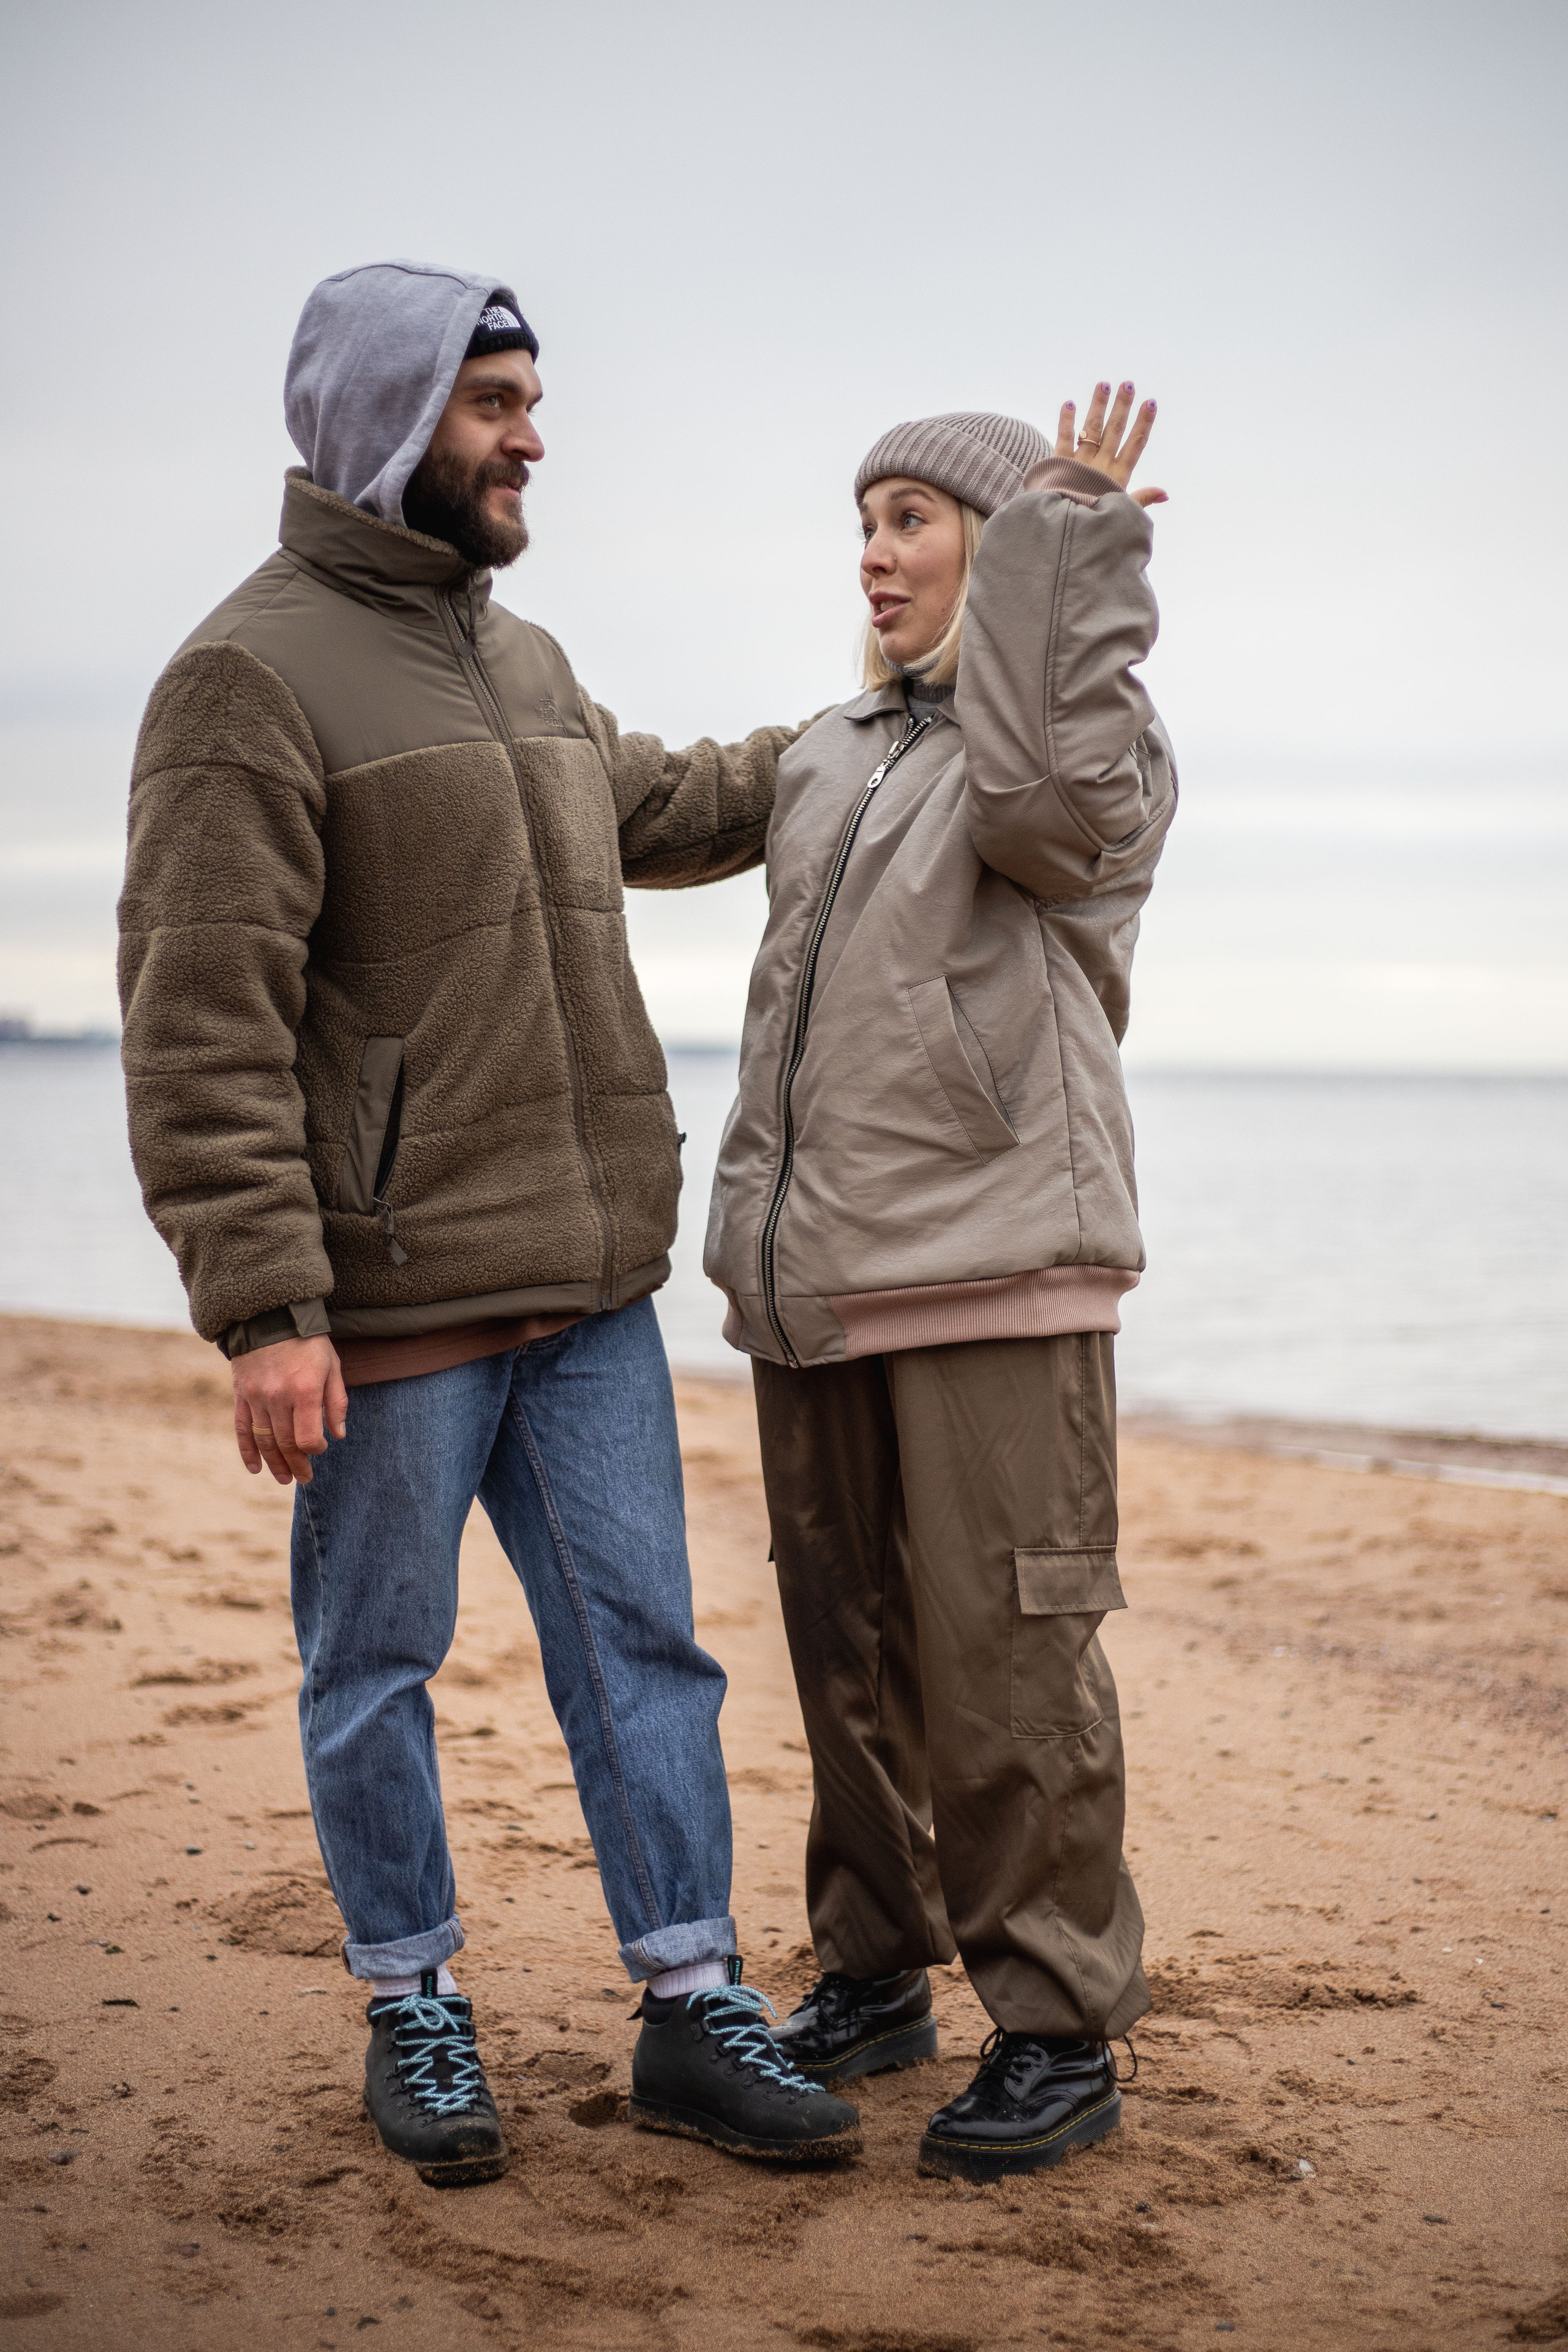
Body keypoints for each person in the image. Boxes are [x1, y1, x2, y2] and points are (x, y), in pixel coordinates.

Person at [118, 260, 861, 2185]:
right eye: (494, 405)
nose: (534, 438)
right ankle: (414, 2002)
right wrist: (265, 1305)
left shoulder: (516, 658)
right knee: (375, 1670)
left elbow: (672, 798)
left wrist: (875, 725)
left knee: (646, 1653)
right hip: (380, 1309)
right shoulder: (246, 677)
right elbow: (202, 1024)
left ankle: (693, 2005)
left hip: (587, 1284)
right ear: (388, 422)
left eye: (530, 401)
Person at [704, 385, 1175, 2182]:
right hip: (821, 1281)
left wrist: (1078, 549)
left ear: (1005, 547)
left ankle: (1054, 2030)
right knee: (851, 1656)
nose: (875, 551)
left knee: (1010, 1668)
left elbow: (1055, 810)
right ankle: (881, 1972)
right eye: (866, 519)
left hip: (999, 1272)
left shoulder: (1071, 738)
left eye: (917, 517)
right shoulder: (833, 750)